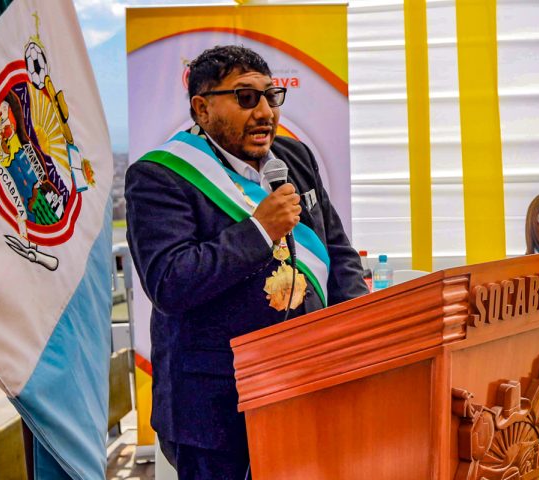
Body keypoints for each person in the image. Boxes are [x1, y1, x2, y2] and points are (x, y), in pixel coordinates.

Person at [125, 45, 368, 479]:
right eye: (245, 97)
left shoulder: (295, 158)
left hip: (305, 384)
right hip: (213, 407)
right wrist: (258, 231)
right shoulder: (159, 176)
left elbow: (338, 250)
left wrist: (353, 334)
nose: (265, 112)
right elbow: (170, 282)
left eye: (270, 96)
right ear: (202, 108)